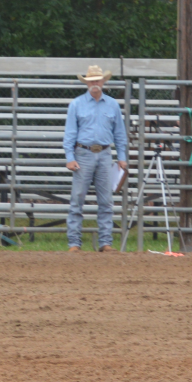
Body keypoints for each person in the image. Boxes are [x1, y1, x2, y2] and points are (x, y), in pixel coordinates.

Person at [64, 65, 128, 252]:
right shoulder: (76, 104)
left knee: (106, 200)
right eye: (91, 81)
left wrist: (122, 157)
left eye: (97, 80)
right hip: (83, 154)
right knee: (77, 198)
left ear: (103, 82)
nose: (94, 84)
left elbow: (120, 133)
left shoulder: (113, 105)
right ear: (87, 83)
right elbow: (70, 133)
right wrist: (70, 157)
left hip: (105, 154)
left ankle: (105, 242)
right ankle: (74, 242)